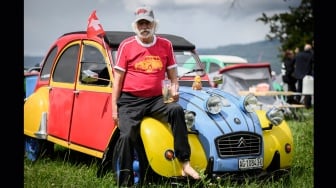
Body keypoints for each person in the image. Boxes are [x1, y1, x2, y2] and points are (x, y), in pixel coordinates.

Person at [111, 5, 200, 187]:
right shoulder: (126, 46)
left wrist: (174, 90)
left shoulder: (165, 45)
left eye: (147, 23)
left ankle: (185, 164)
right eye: (140, 23)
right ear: (135, 26)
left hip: (157, 98)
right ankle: (125, 182)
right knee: (126, 136)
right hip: (131, 100)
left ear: (154, 25)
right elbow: (117, 80)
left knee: (176, 110)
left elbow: (173, 76)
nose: (144, 27)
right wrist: (115, 109)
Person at [293, 44, 314, 108]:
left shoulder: (298, 55)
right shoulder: (310, 55)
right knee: (308, 91)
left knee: (299, 89)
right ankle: (307, 105)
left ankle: (297, 102)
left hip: (299, 75)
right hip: (307, 75)